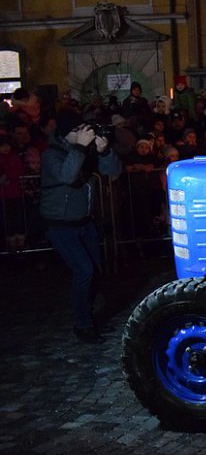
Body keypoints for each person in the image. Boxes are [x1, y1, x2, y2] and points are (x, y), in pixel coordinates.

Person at [40, 111, 122, 343]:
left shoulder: (85, 150)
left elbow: (113, 172)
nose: (84, 133)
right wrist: (80, 148)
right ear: (66, 134)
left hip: (85, 221)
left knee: (94, 271)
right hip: (60, 224)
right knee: (84, 270)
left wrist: (104, 151)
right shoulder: (51, 154)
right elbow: (67, 176)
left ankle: (88, 316)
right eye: (78, 130)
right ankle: (82, 324)